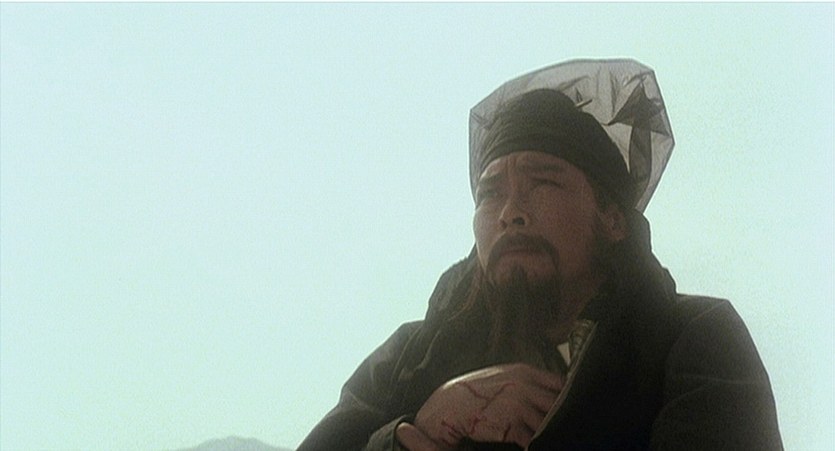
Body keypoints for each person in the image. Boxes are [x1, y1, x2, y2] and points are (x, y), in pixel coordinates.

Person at [297, 59, 783, 451]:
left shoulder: (690, 340)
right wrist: (416, 431)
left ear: (613, 219)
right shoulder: (409, 357)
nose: (511, 212)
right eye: (490, 193)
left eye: (543, 182)